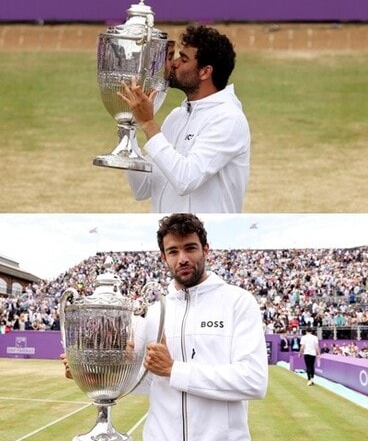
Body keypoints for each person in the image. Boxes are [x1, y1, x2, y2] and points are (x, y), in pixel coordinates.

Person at [62, 213, 268, 440]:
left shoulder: (237, 301)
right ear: (163, 257)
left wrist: (174, 369)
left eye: (190, 248)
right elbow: (152, 383)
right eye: (173, 251)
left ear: (205, 249)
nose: (182, 259)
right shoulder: (156, 311)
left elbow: (253, 381)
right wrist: (98, 375)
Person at [118, 24, 251, 213]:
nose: (175, 63)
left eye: (184, 58)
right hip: (167, 239)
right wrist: (129, 125)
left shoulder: (228, 120)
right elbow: (142, 188)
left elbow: (186, 179)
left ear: (205, 72)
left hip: (211, 240)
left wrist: (148, 123)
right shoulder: (176, 117)